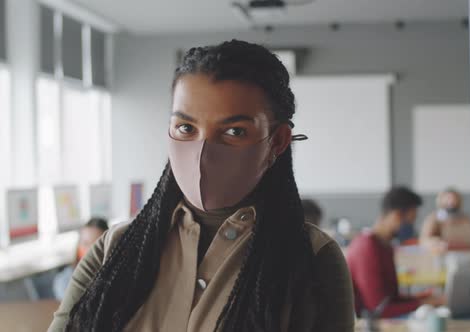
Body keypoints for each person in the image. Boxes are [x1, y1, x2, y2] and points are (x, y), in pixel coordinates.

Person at [49, 41, 354, 332]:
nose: (202, 151)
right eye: (186, 127)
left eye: (234, 131)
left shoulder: (313, 258)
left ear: (277, 141)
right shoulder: (113, 249)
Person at [346, 186, 445, 318]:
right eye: (410, 221)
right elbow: (379, 309)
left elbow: (391, 298)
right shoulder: (366, 247)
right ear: (397, 215)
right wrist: (423, 302)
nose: (411, 227)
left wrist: (424, 298)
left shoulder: (385, 245)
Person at [53, 218, 109, 300]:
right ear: (78, 246)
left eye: (97, 244)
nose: (90, 250)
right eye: (85, 243)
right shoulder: (64, 281)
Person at [419, 189, 470, 254]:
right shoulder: (434, 219)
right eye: (448, 199)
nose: (451, 202)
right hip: (445, 253)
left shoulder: (467, 219)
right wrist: (434, 243)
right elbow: (425, 239)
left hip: (468, 251)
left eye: (454, 199)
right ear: (441, 200)